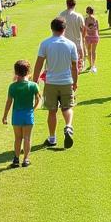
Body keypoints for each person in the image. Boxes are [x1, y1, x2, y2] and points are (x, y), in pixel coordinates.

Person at [32, 17, 79, 149]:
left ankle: (52, 138)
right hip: (66, 81)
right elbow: (74, 66)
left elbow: (39, 64)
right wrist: (75, 82)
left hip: (51, 82)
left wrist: (34, 81)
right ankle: (68, 126)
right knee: (68, 107)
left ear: (51, 28)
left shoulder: (45, 43)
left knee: (52, 111)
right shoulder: (71, 44)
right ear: (64, 29)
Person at [3, 59, 40, 168]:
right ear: (28, 71)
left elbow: (9, 102)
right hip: (28, 115)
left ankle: (16, 159)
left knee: (18, 138)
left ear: (16, 72)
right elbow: (38, 99)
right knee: (27, 137)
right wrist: (32, 109)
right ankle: (26, 159)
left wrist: (5, 116)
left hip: (16, 116)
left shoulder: (12, 86)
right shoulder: (33, 85)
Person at [58, 0, 85, 72]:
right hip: (77, 42)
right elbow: (83, 28)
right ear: (75, 5)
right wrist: (83, 37)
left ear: (67, 4)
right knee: (77, 64)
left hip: (64, 42)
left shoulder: (61, 14)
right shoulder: (78, 16)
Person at [82, 5, 100, 74]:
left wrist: (83, 37)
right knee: (94, 51)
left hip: (88, 37)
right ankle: (93, 64)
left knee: (89, 51)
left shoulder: (85, 19)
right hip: (95, 36)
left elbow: (84, 29)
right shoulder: (95, 19)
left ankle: (90, 64)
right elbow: (98, 29)